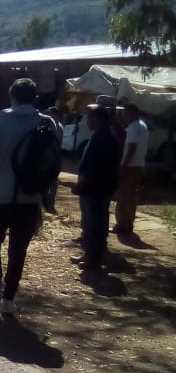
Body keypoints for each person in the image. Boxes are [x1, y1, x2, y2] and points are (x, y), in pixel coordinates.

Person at [0, 78, 53, 315]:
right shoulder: (48, 124)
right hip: (30, 197)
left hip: (1, 194)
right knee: (18, 248)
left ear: (11, 97)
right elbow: (52, 162)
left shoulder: (0, 123)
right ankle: (9, 298)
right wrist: (46, 193)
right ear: (35, 98)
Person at [70, 105, 121, 270]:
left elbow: (95, 167)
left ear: (98, 119)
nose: (87, 121)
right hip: (93, 188)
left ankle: (94, 259)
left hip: (96, 188)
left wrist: (81, 183)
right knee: (88, 224)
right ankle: (88, 254)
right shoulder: (99, 136)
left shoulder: (105, 138)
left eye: (90, 118)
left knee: (95, 225)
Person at [113, 102, 148, 235]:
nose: (123, 116)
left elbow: (131, 148)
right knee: (132, 196)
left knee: (122, 196)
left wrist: (123, 166)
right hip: (138, 164)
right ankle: (128, 223)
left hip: (130, 165)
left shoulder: (133, 127)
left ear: (131, 113)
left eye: (124, 113)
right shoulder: (143, 126)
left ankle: (121, 225)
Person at [42, 106, 65, 213]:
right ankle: (50, 202)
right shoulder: (58, 125)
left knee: (49, 180)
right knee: (52, 180)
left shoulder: (54, 126)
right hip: (56, 156)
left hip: (51, 156)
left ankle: (48, 202)